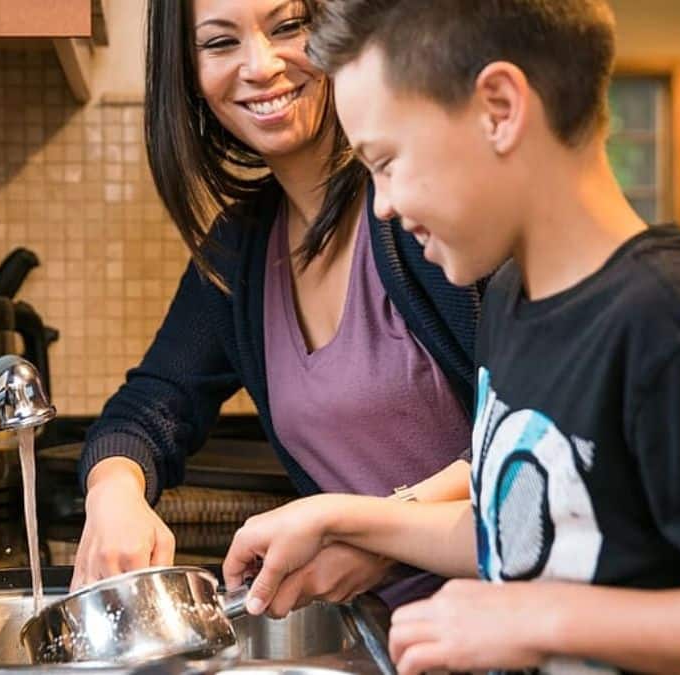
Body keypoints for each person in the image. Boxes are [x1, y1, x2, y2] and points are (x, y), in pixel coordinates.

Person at [223, 0, 680, 672]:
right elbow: (528, 536)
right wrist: (343, 517)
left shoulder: (669, 326)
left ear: (500, 108)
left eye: (387, 161)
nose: (384, 203)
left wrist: (536, 619)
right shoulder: (509, 298)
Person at [71, 0, 483, 615]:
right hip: (394, 638)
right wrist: (113, 493)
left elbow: (535, 438)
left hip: (520, 629)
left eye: (289, 27)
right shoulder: (240, 251)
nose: (260, 66)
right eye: (219, 43)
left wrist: (377, 533)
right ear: (187, 71)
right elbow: (149, 407)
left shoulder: (417, 211)